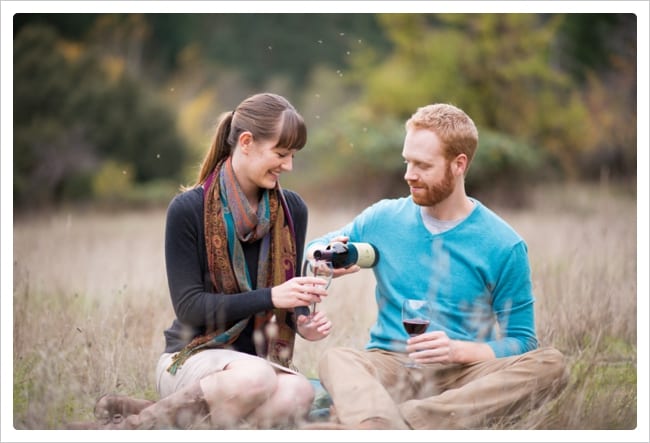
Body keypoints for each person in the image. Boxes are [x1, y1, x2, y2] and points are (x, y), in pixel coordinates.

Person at [69, 92, 332, 430]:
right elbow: (190, 307)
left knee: (297, 391)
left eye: (293, 155)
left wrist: (301, 320)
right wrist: (271, 296)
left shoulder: (292, 210)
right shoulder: (188, 210)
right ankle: (127, 430)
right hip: (192, 357)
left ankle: (158, 414)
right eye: (281, 154)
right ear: (247, 142)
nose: (289, 166)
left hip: (253, 367)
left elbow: (285, 301)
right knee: (257, 377)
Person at [304, 103, 569, 430]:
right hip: (391, 365)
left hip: (464, 375)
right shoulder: (384, 218)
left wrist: (460, 350)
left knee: (552, 365)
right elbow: (317, 246)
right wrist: (322, 256)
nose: (408, 174)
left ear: (459, 165)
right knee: (338, 358)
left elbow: (522, 341)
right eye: (407, 161)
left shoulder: (504, 244)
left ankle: (388, 424)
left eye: (422, 165)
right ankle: (390, 422)